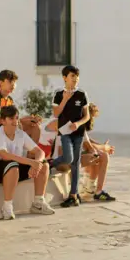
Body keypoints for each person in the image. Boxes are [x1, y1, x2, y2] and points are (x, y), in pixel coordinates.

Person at [0, 105, 54, 220]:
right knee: (12, 165)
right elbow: (5, 155)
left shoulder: (20, 133)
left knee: (44, 165)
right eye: (11, 118)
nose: (15, 121)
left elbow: (40, 152)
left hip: (15, 169)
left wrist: (37, 163)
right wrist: (30, 162)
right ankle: (7, 207)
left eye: (16, 118)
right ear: (2, 121)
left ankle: (38, 203)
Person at [52, 65, 90, 208]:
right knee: (68, 158)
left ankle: (73, 195)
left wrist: (78, 124)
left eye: (77, 76)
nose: (75, 79)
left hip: (78, 133)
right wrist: (65, 99)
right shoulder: (58, 94)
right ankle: (51, 163)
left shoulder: (82, 94)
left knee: (75, 163)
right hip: (64, 133)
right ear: (65, 78)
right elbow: (56, 113)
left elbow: (87, 116)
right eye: (72, 76)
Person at [0, 70, 41, 145]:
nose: (13, 84)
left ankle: (31, 152)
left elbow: (15, 119)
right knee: (18, 126)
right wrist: (18, 122)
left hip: (5, 129)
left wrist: (30, 119)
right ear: (1, 82)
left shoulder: (9, 100)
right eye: (10, 81)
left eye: (14, 82)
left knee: (35, 127)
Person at [80, 103, 116, 202]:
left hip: (71, 155)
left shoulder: (79, 125)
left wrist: (103, 146)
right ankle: (98, 191)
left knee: (98, 153)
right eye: (92, 117)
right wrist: (104, 148)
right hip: (66, 158)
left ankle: (89, 187)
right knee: (102, 156)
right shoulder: (79, 125)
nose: (93, 120)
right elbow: (88, 146)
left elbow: (88, 141)